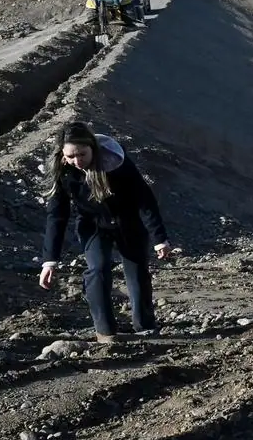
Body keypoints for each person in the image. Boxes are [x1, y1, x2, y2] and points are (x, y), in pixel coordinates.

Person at [38, 121, 173, 343]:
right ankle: (106, 332)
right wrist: (49, 261)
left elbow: (144, 199)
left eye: (82, 154)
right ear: (62, 154)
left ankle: (145, 328)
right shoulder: (64, 172)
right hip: (93, 225)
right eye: (70, 156)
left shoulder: (116, 163)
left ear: (93, 148)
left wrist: (160, 239)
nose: (77, 161)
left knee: (137, 273)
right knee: (97, 270)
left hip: (128, 221)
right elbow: (57, 216)